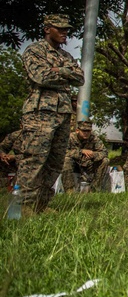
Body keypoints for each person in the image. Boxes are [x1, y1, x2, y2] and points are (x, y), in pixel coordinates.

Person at [16, 14, 85, 215]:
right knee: (34, 159)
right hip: (40, 112)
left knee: (55, 162)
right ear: (47, 29)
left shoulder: (66, 56)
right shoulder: (34, 51)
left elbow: (80, 77)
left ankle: (41, 204)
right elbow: (41, 77)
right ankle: (23, 205)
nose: (65, 33)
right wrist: (66, 72)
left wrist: (58, 69)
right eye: (60, 29)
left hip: (63, 113)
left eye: (66, 29)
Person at [61, 121, 109, 193]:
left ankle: (94, 189)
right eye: (84, 131)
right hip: (74, 164)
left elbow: (104, 152)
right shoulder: (70, 137)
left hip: (88, 164)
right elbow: (63, 151)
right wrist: (81, 151)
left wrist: (93, 154)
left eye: (88, 131)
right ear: (77, 130)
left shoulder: (94, 138)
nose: (86, 133)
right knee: (66, 160)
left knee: (105, 160)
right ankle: (69, 190)